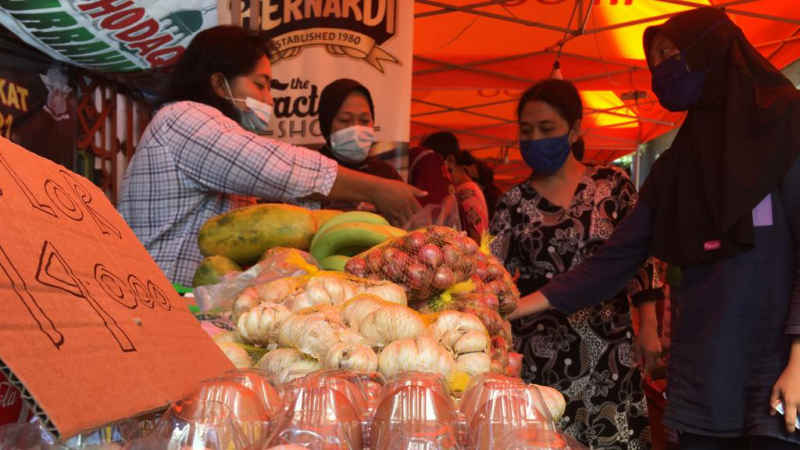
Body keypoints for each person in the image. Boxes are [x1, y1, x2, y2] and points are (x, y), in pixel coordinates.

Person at [512, 7, 800, 449]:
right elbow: (618, 255)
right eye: (657, 58)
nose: (662, 69)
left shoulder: (786, 123)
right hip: (703, 371)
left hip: (776, 366)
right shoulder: (679, 161)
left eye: (672, 53)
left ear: (711, 49)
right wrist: (514, 306)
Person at [117, 26, 424, 287]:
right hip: (158, 296)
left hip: (194, 299)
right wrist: (376, 188)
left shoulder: (214, 130)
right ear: (218, 84)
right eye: (260, 85)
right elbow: (270, 167)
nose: (268, 99)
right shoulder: (183, 118)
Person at [489, 78, 663, 449]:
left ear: (575, 129)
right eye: (526, 130)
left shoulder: (611, 185)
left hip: (609, 344)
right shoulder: (512, 201)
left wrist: (649, 325)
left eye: (547, 129)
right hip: (539, 351)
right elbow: (492, 274)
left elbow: (642, 258)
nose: (535, 138)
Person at [447, 150, 489, 242]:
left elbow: (475, 228)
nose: (448, 175)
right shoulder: (469, 188)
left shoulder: (467, 190)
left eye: (450, 170)